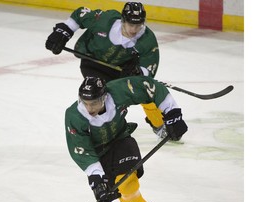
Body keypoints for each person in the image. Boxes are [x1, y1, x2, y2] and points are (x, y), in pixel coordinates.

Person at [65, 75, 188, 202]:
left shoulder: (120, 91)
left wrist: (172, 114)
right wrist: (97, 179)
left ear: (104, 97)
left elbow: (150, 87)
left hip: (122, 141)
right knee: (126, 195)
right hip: (99, 155)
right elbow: (80, 149)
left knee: (128, 186)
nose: (89, 107)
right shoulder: (75, 115)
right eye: (85, 102)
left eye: (94, 103)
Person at [47, 2, 167, 138]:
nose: (134, 30)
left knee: (144, 93)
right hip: (93, 62)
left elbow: (149, 67)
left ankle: (159, 125)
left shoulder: (147, 39)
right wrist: (62, 32)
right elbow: (80, 14)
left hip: (122, 68)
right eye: (130, 24)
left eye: (138, 25)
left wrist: (138, 73)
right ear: (123, 20)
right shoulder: (105, 20)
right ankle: (113, 129)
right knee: (105, 97)